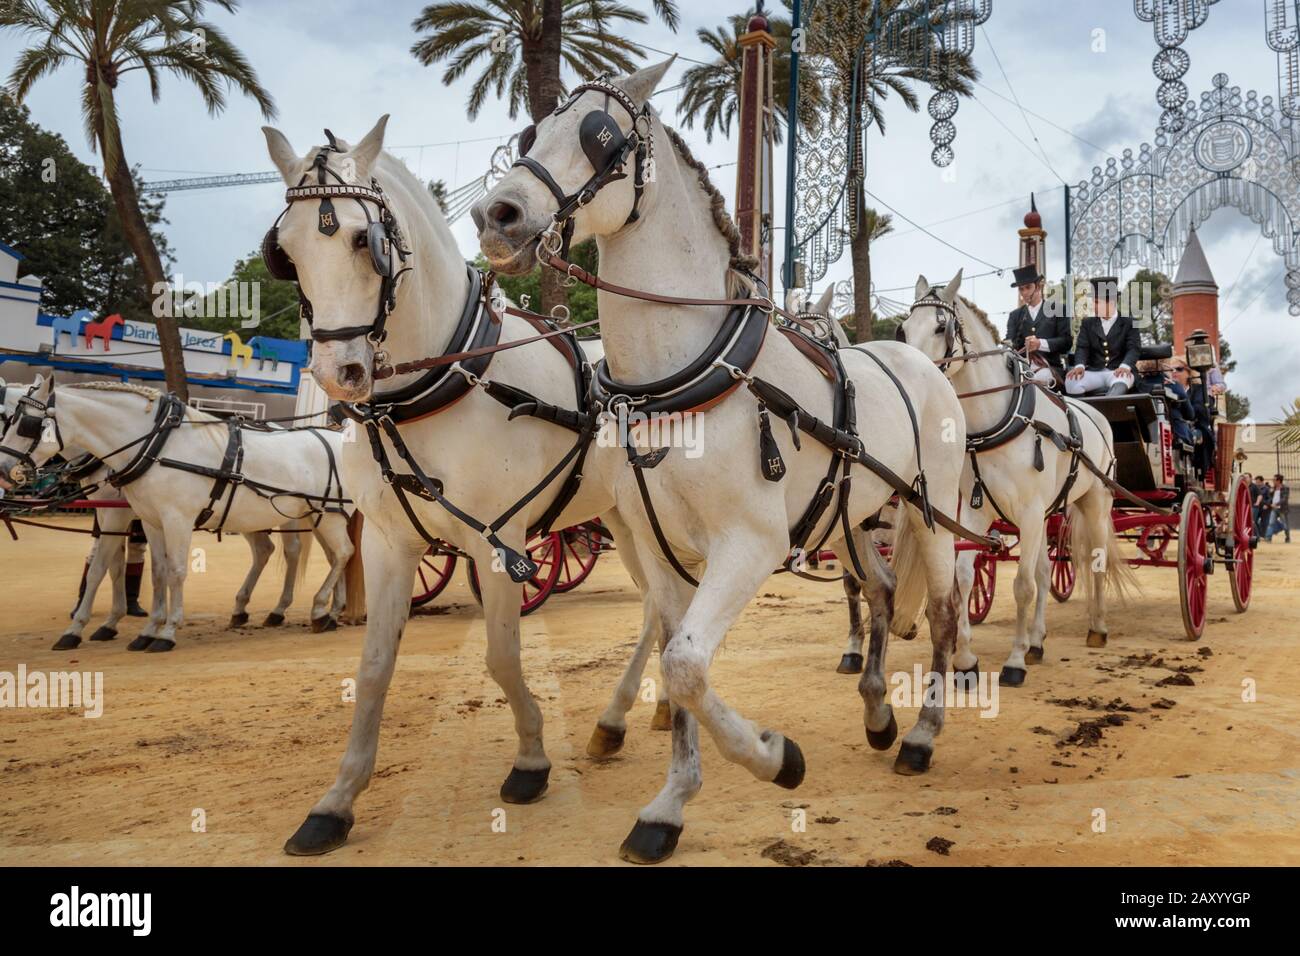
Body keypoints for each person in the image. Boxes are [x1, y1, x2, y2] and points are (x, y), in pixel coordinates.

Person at [1065, 276, 1141, 396]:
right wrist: (1080, 365)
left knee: (1121, 382)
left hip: (1119, 371)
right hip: (1095, 371)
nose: (1093, 306)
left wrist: (1125, 366)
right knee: (1071, 382)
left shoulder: (1130, 322)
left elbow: (1133, 348)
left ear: (1111, 302)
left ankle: (1108, 413)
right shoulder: (1087, 323)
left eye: (1096, 302)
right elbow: (1082, 348)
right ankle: (1082, 414)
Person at [1006, 264, 1071, 387]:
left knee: (1034, 381)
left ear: (1038, 287)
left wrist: (1040, 344)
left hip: (1050, 368)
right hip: (1023, 369)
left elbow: (1066, 342)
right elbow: (1010, 342)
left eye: (1028, 287)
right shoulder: (1015, 315)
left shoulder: (1058, 309)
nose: (1024, 293)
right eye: (1021, 289)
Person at [1264, 474, 1291, 543]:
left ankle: (1287, 537)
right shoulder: (1273, 488)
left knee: (1285, 525)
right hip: (1274, 509)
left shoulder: (1285, 488)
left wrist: (1276, 504)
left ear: (1278, 481)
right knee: (1271, 523)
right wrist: (1268, 504)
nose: (1273, 481)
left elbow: (1284, 499)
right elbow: (1270, 498)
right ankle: (1268, 538)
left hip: (1282, 509)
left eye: (1274, 480)